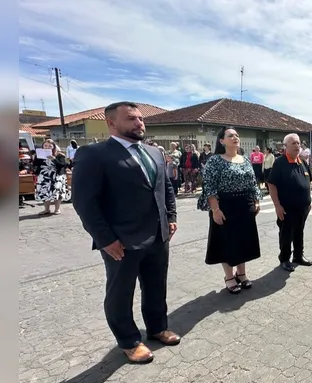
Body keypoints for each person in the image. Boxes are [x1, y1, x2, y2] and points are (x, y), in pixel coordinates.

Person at [72, 101, 179, 364]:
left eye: (141, 119)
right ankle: (129, 340)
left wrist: (171, 217)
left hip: (157, 235)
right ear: (111, 123)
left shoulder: (154, 152)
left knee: (156, 286)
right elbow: (84, 202)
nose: (139, 123)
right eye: (131, 119)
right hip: (121, 240)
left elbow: (164, 187)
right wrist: (105, 239)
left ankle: (157, 327)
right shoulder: (94, 154)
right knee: (121, 292)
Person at [198, 127, 263, 294]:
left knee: (243, 241)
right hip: (225, 205)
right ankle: (229, 277)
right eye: (230, 135)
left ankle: (241, 274)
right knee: (227, 242)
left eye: (237, 135)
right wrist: (215, 210)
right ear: (221, 141)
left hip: (244, 204)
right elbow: (210, 186)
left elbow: (252, 182)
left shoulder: (245, 159)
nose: (235, 138)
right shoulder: (215, 161)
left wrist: (256, 201)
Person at [267, 133, 312, 272]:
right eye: (293, 143)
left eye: (298, 143)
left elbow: (307, 183)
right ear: (285, 146)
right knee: (286, 234)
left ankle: (298, 256)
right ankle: (285, 259)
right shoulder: (280, 162)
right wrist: (277, 205)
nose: (297, 146)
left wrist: (308, 200)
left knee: (299, 231)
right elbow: (272, 184)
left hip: (303, 207)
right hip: (287, 208)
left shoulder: (302, 162)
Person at [33, 140, 71, 215]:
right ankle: (46, 209)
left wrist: (54, 159)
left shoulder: (59, 155)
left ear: (53, 147)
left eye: (50, 146)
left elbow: (62, 165)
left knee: (57, 192)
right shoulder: (39, 155)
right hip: (44, 176)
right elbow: (35, 164)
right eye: (45, 146)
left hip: (56, 176)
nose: (47, 147)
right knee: (45, 192)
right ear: (43, 146)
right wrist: (37, 158)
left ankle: (57, 209)